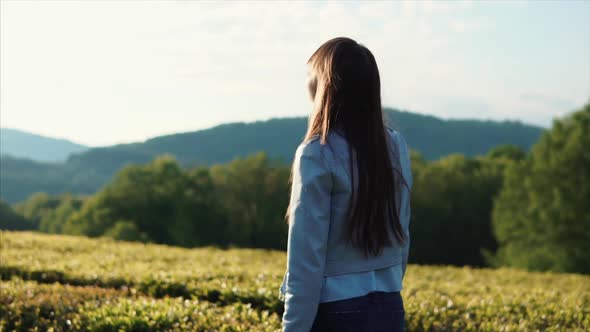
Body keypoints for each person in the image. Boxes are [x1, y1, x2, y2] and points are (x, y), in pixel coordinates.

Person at [278, 37, 413, 332]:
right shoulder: (395, 145)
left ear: (326, 86)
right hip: (389, 305)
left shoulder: (316, 153)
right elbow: (402, 233)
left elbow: (306, 260)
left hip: (337, 311)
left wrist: (294, 327)